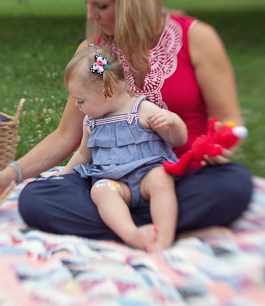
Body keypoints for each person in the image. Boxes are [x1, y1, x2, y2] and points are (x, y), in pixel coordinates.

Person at [0, 0, 253, 242]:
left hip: (179, 177)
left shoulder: (197, 38)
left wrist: (222, 145)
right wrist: (8, 177)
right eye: (87, 4)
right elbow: (66, 136)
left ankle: (135, 225)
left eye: (101, 5)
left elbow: (229, 121)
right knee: (36, 199)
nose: (91, 15)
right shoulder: (92, 54)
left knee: (233, 185)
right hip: (111, 185)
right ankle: (160, 228)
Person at [61, 45, 187, 251]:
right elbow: (84, 154)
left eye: (81, 100)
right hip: (117, 185)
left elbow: (177, 140)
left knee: (161, 177)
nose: (77, 106)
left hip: (147, 178)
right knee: (100, 190)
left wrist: (173, 122)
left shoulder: (143, 110)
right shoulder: (91, 123)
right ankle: (131, 233)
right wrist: (63, 177)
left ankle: (163, 237)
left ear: (107, 92)